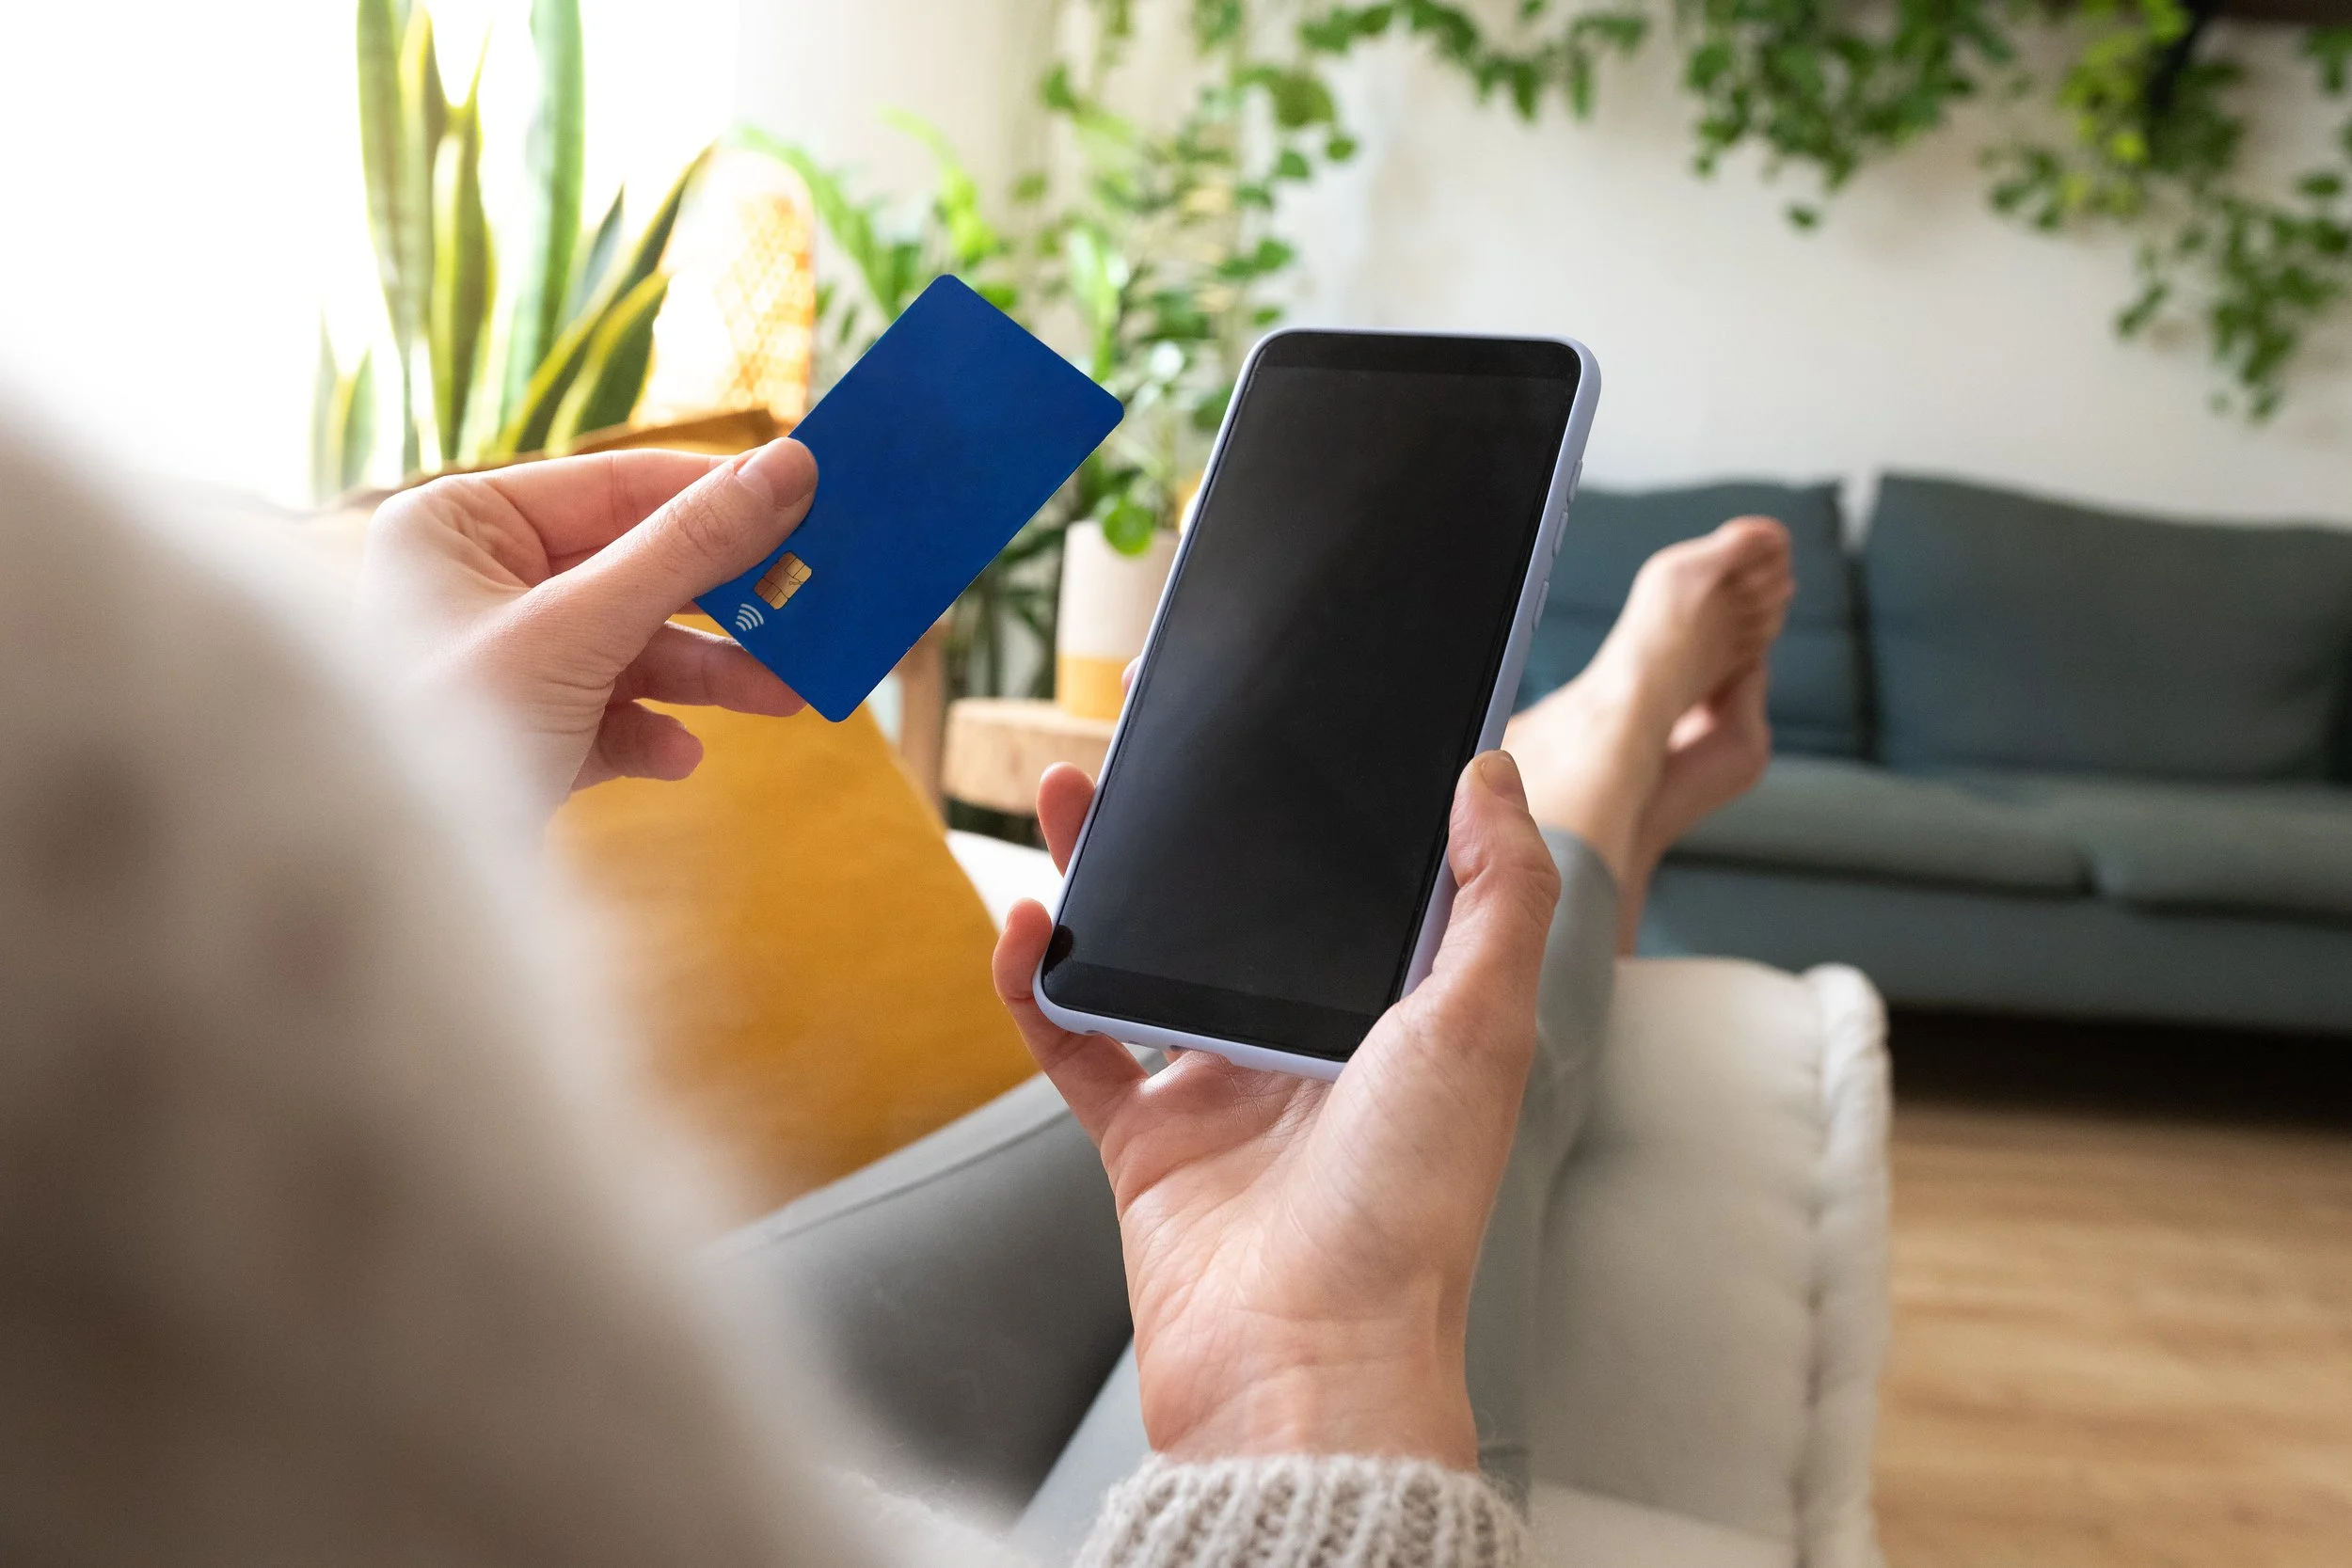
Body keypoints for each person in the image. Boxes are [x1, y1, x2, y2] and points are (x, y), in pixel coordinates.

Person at [0, 419, 1789, 1568]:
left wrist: (425, 794)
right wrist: (1312, 1387)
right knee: (1435, 1052)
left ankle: (1581, 778)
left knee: (1257, 1065)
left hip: (491, 1385)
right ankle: (1608, 757)